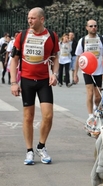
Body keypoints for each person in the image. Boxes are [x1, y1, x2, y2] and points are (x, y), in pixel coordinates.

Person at [9, 7, 60, 165]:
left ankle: (41, 146)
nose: (29, 20)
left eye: (33, 18)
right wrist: (13, 82)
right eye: (28, 17)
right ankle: (29, 151)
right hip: (27, 80)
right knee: (28, 117)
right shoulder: (22, 36)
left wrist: (55, 73)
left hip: (44, 81)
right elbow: (15, 60)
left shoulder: (51, 35)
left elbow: (55, 57)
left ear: (42, 19)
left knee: (48, 116)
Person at [73, 19, 103, 118]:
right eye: (91, 26)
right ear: (86, 28)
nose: (93, 27)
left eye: (95, 26)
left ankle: (95, 107)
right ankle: (90, 116)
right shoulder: (82, 41)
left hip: (99, 70)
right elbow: (78, 57)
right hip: (87, 71)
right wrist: (75, 73)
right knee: (89, 93)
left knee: (98, 96)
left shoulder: (102, 39)